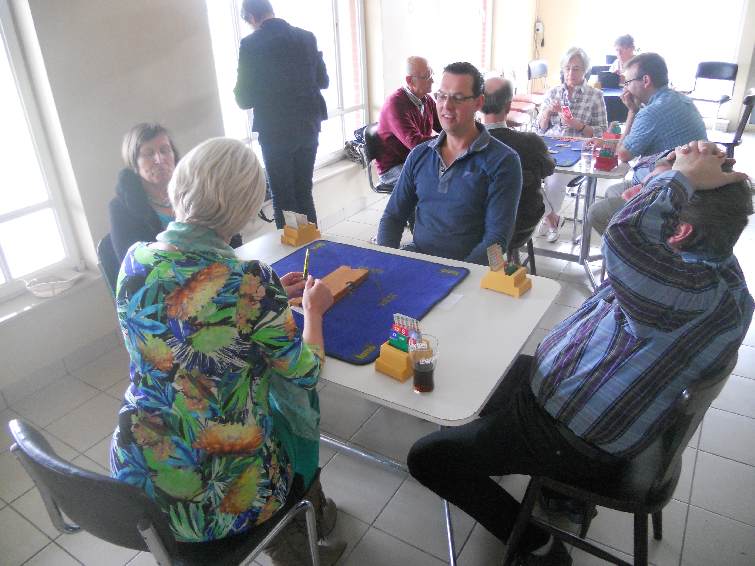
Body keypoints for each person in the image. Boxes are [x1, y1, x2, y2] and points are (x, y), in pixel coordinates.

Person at [407, 141, 753, 566]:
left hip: (570, 436)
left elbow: (617, 226)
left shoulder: (681, 289)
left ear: (678, 232)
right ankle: (531, 475)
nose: (631, 194)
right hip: (583, 405)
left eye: (648, 191)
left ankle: (539, 546)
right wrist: (678, 169)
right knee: (482, 373)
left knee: (428, 458)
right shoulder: (713, 271)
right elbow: (622, 217)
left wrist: (680, 177)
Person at [109, 138, 346, 566]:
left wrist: (265, 290)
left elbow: (188, 303)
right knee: (294, 420)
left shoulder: (133, 258)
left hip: (140, 476)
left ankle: (302, 536)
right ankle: (296, 542)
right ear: (242, 208)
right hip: (226, 494)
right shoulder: (248, 283)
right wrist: (313, 312)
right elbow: (305, 371)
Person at [376, 62, 522, 265]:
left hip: (474, 271)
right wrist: (385, 260)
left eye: (458, 98)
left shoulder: (504, 161)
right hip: (420, 259)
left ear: (479, 103)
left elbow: (498, 241)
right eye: (442, 96)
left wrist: (463, 276)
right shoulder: (420, 155)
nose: (446, 106)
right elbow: (392, 217)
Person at [234, 0, 329, 229]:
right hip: (308, 126)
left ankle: (291, 256)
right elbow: (323, 81)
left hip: (275, 131)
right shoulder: (307, 37)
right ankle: (314, 249)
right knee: (304, 191)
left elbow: (243, 99)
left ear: (250, 18)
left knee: (284, 197)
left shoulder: (251, 44)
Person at [588, 53, 707, 234]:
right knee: (613, 191)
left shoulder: (651, 112)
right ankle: (621, 241)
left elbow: (622, 154)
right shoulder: (680, 99)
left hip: (669, 195)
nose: (625, 88)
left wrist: (631, 112)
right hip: (689, 185)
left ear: (645, 80)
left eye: (627, 82)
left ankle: (629, 250)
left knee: (597, 212)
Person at [109, 123, 242, 264]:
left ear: (174, 155)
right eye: (148, 154)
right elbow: (132, 264)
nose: (159, 160)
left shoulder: (195, 189)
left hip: (218, 270)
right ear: (134, 163)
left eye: (165, 150)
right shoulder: (121, 208)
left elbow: (233, 238)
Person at [535, 47, 608, 242]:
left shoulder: (595, 96)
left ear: (585, 70)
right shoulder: (554, 92)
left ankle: (546, 217)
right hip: (551, 145)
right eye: (567, 68)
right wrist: (547, 114)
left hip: (579, 150)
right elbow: (539, 129)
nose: (570, 73)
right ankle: (552, 218)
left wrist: (579, 125)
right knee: (526, 174)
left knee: (554, 179)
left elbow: (602, 131)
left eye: (576, 69)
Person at [481, 76, 554, 254]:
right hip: (523, 225)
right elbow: (549, 169)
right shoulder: (531, 142)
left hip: (479, 230)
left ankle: (490, 269)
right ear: (508, 106)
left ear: (478, 104)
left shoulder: (464, 144)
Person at [375, 56, 441, 186]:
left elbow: (444, 126)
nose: (432, 80)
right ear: (410, 80)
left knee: (454, 169)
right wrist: (446, 139)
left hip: (415, 159)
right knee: (435, 180)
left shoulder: (426, 99)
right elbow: (416, 144)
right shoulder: (395, 104)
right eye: (427, 76)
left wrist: (459, 131)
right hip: (394, 167)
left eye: (432, 73)